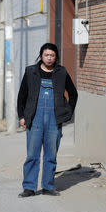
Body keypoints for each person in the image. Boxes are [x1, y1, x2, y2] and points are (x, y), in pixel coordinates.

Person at [17, 43, 78, 197]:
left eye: (52, 55)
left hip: (54, 119)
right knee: (32, 155)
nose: (49, 58)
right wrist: (22, 116)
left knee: (51, 155)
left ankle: (48, 187)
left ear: (55, 57)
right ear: (41, 55)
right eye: (46, 55)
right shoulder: (31, 71)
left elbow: (73, 93)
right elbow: (22, 95)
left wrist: (68, 113)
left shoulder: (61, 72)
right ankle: (29, 188)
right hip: (34, 118)